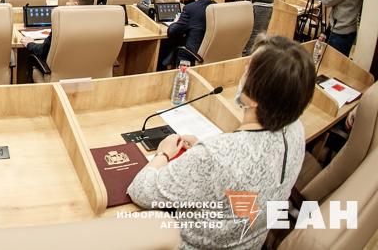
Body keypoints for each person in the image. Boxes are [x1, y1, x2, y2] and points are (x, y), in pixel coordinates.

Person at [128, 35, 315, 250]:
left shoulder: (216, 156)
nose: (242, 73)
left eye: (247, 69)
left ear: (254, 98)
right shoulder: (296, 131)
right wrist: (204, 151)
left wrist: (163, 154)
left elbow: (140, 191)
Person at [21, 0, 94, 61]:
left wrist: (29, 43)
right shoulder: (96, 24)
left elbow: (43, 52)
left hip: (63, 66)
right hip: (89, 66)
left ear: (75, 5)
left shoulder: (62, 24)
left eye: (69, 1)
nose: (66, 3)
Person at [158, 0, 213, 68]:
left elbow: (172, 32)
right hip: (209, 53)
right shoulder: (215, 7)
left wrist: (175, 22)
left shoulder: (190, 8)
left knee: (164, 47)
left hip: (191, 54)